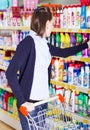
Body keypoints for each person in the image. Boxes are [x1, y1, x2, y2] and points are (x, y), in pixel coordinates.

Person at [6, 6, 90, 130]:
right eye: (52, 23)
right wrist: (22, 101)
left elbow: (63, 52)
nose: (53, 27)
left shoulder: (44, 43)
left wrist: (86, 45)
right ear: (46, 23)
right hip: (29, 104)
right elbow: (11, 73)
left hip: (42, 102)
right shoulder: (27, 43)